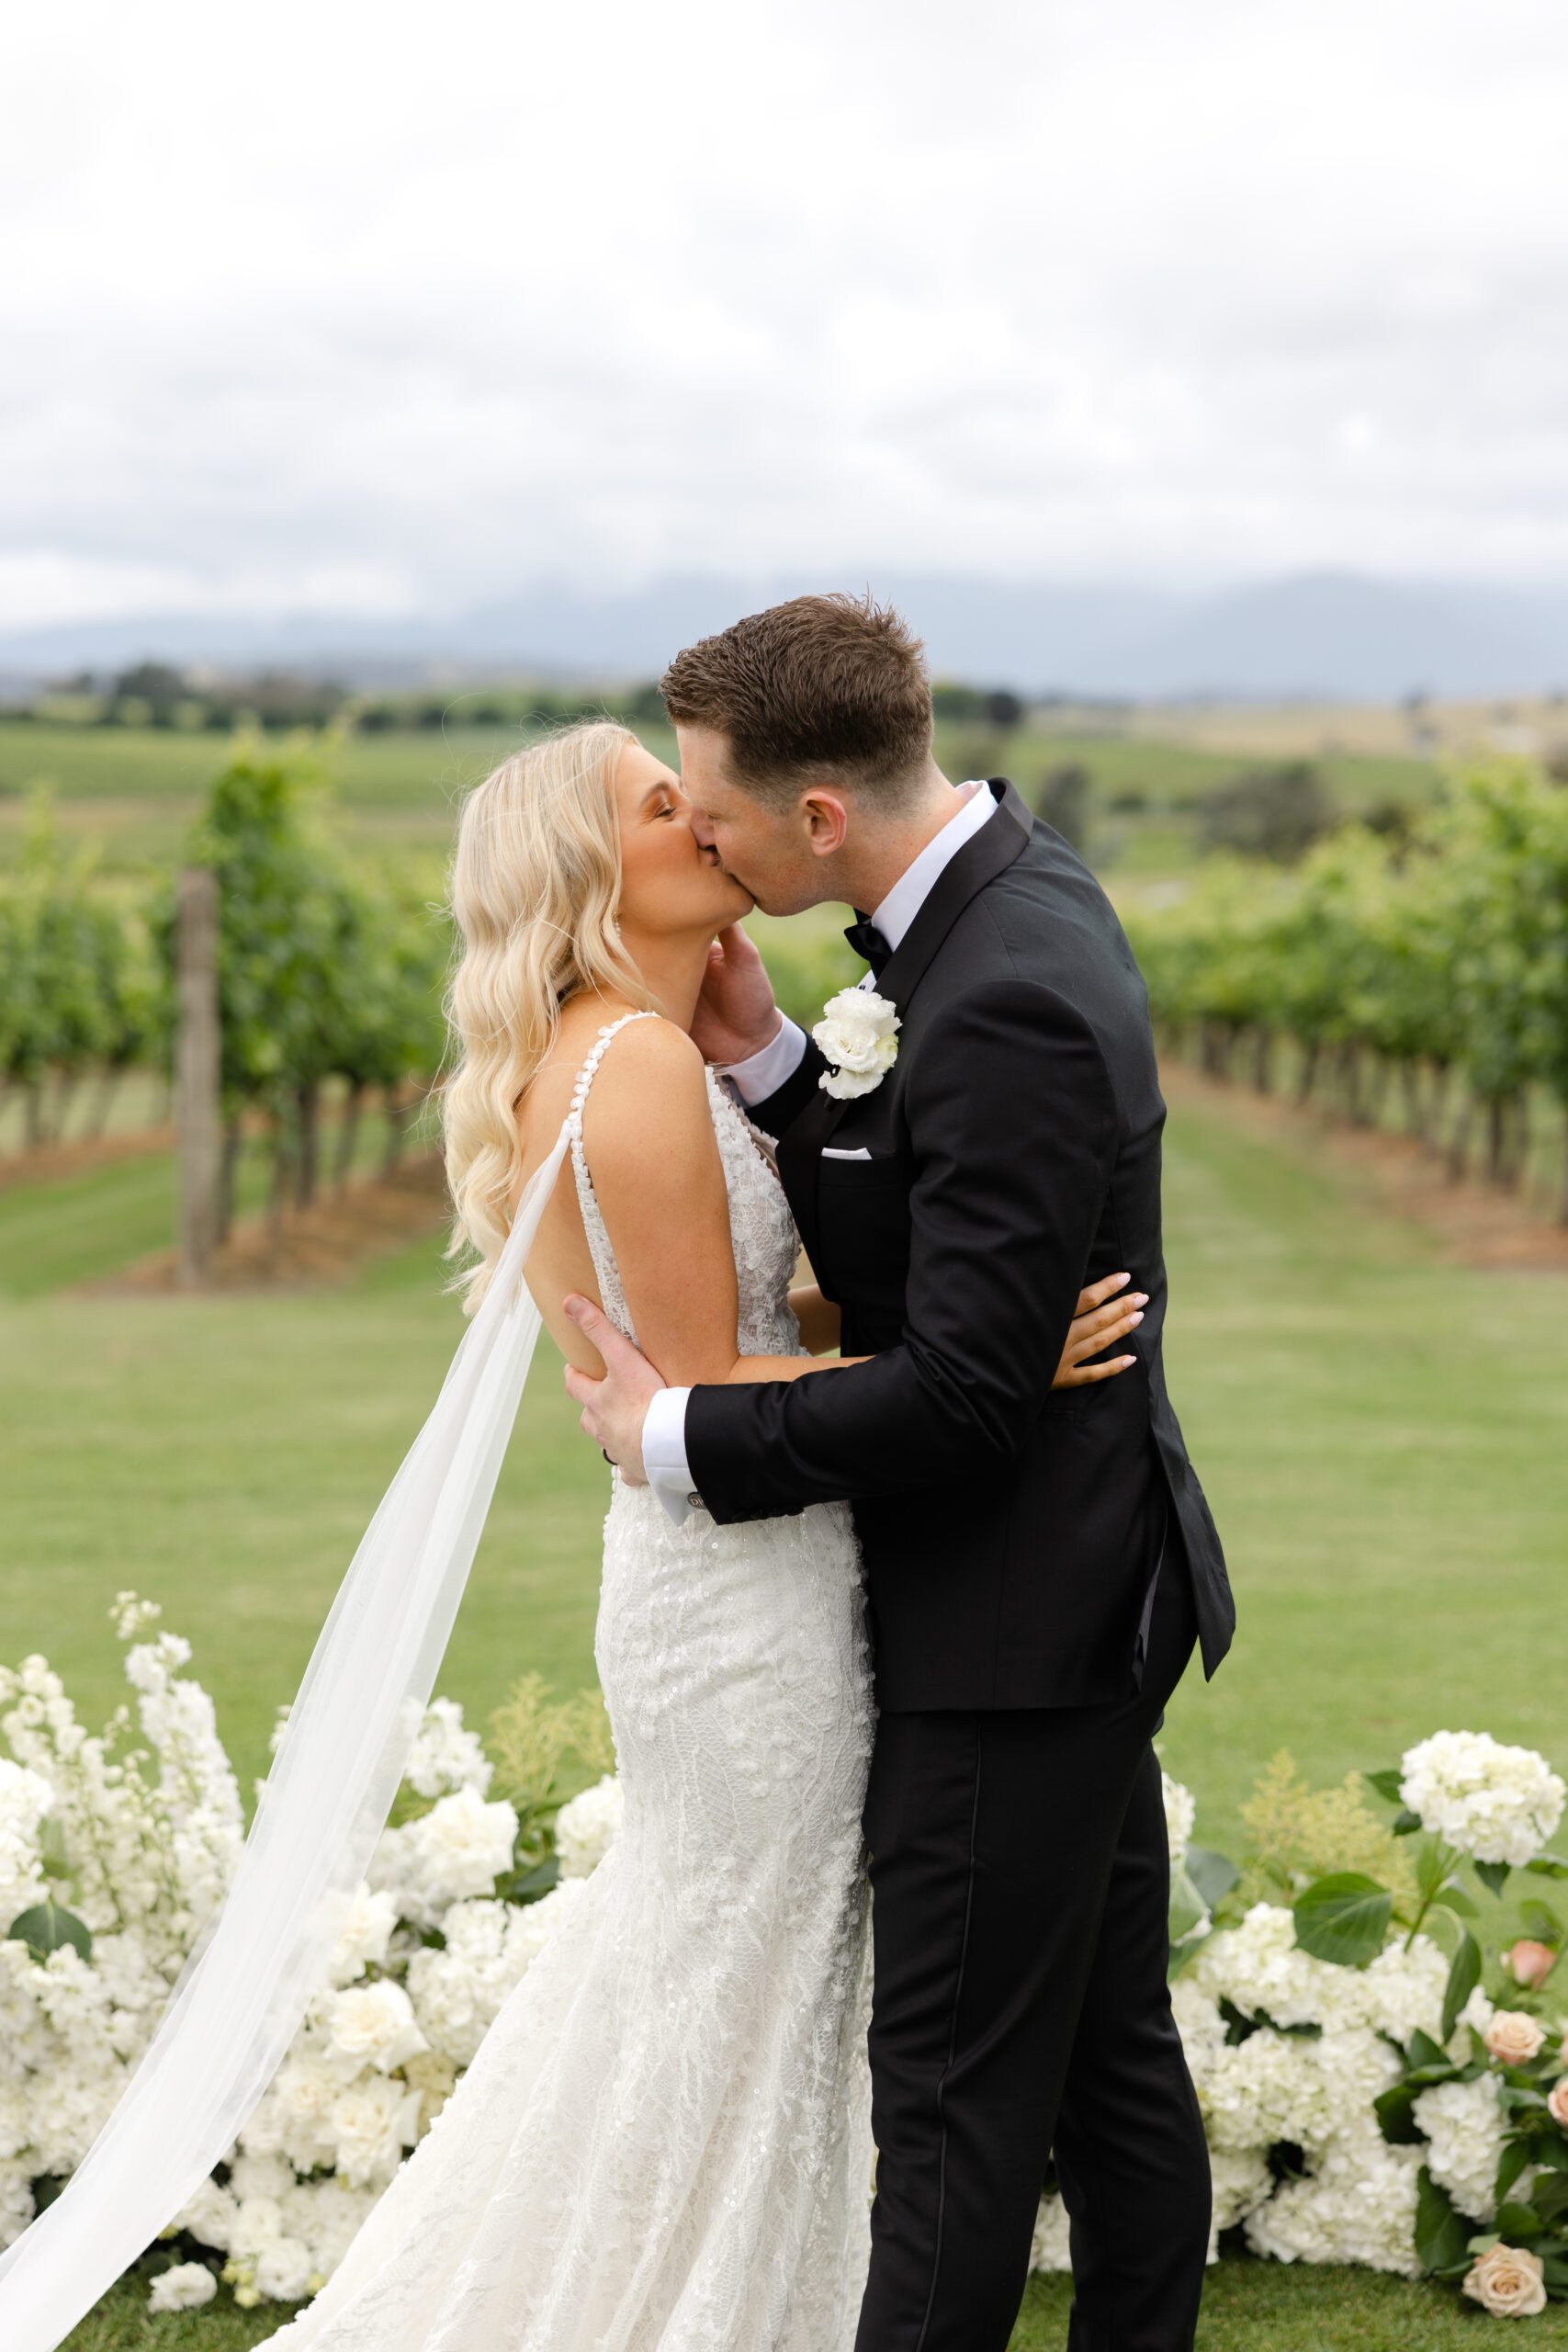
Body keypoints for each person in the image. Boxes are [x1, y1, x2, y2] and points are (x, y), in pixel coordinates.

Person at [217, 719, 1138, 2350]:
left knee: (718, 1972)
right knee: (732, 1975)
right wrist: (990, 1359)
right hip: (741, 1597)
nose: (707, 820)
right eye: (665, 805)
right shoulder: (631, 1064)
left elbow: (745, 1322)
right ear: (594, 869)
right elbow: (712, 1378)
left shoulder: (634, 1048)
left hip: (731, 1559)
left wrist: (931, 1308)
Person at [568, 592, 1236, 2352]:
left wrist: (675, 1435)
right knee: (1107, 2062)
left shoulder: (1001, 986)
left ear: (815, 815)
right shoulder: (1014, 887)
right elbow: (934, 1199)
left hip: (1013, 1621)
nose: (700, 839)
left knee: (947, 2108)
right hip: (1080, 1591)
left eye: (714, 810)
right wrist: (785, 1071)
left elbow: (963, 1401)